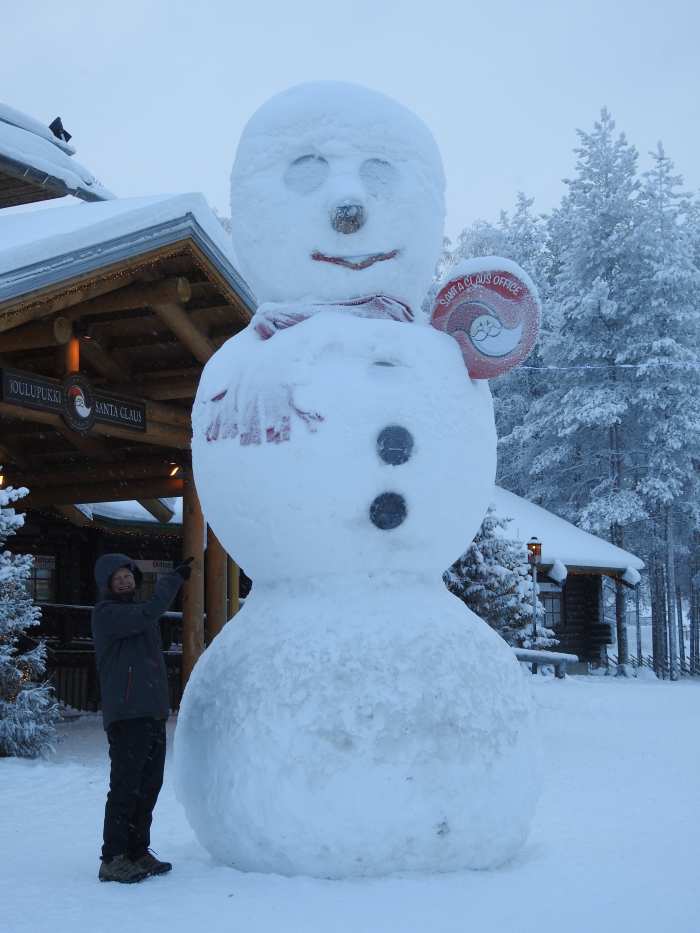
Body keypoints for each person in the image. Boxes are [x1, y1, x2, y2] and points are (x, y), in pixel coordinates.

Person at [91, 552, 193, 884]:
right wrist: (173, 580)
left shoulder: (137, 614)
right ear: (107, 584)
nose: (125, 581)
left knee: (149, 785)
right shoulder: (107, 614)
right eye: (117, 578)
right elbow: (150, 611)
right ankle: (113, 857)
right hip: (127, 714)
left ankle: (137, 851)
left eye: (128, 576)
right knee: (125, 786)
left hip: (150, 711)